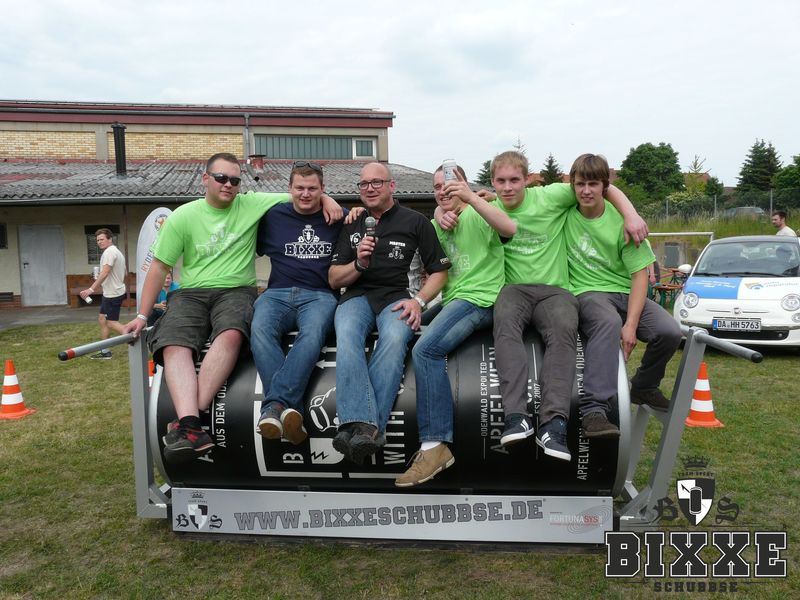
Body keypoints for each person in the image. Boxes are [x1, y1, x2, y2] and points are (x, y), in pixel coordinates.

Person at [124, 152, 341, 464]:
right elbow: (159, 267)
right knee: (173, 343)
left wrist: (329, 199)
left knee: (232, 334)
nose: (228, 184)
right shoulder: (182, 217)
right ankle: (191, 422)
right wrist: (142, 315)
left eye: (235, 180)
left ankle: (198, 421)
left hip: (237, 289)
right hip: (191, 293)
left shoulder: (251, 204)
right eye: (221, 178)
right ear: (205, 179)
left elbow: (303, 194)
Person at [439, 151, 647, 462]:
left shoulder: (551, 196)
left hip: (555, 291)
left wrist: (630, 214)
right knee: (504, 326)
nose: (507, 187)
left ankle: (554, 425)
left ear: (527, 179)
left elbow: (603, 186)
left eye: (514, 180)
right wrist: (446, 213)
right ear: (492, 182)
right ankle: (516, 417)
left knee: (563, 332)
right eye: (500, 181)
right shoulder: (487, 207)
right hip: (513, 289)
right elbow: (449, 214)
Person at [395, 163, 515, 487]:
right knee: (400, 329)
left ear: (463, 183)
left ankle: (435, 446)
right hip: (452, 300)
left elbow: (509, 228)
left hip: (481, 300)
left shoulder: (483, 210)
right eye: (437, 187)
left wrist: (472, 198)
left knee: (426, 350)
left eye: (448, 184)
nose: (442, 191)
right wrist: (439, 212)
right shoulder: (437, 222)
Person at [329, 162, 450, 465]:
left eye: (377, 183)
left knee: (395, 339)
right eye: (364, 184)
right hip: (357, 296)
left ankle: (356, 428)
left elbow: (439, 272)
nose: (370, 189)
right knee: (347, 335)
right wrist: (358, 263)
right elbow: (334, 279)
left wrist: (419, 302)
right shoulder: (352, 222)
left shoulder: (416, 221)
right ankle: (368, 428)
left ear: (391, 186)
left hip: (399, 297)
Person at [564, 154, 682, 437]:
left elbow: (640, 275)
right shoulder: (563, 212)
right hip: (588, 291)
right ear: (573, 186)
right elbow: (525, 200)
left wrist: (631, 324)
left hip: (624, 291)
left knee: (669, 332)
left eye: (593, 184)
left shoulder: (623, 222)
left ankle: (644, 386)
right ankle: (594, 409)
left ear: (605, 186)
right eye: (580, 184)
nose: (586, 191)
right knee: (607, 322)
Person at [251, 161, 346, 445]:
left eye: (313, 189)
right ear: (289, 188)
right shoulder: (273, 216)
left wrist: (336, 204)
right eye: (300, 188)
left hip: (320, 294)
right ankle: (289, 410)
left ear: (323, 189)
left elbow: (370, 216)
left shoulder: (338, 217)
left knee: (313, 333)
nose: (306, 194)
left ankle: (273, 407)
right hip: (276, 293)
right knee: (259, 329)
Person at [79, 228, 128, 359]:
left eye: (102, 239)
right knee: (102, 319)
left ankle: (135, 336)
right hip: (111, 292)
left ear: (110, 239)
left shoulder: (110, 252)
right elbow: (118, 272)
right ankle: (105, 351)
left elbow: (105, 272)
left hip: (113, 293)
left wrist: (91, 289)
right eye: (97, 240)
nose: (99, 242)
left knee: (111, 322)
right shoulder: (115, 252)